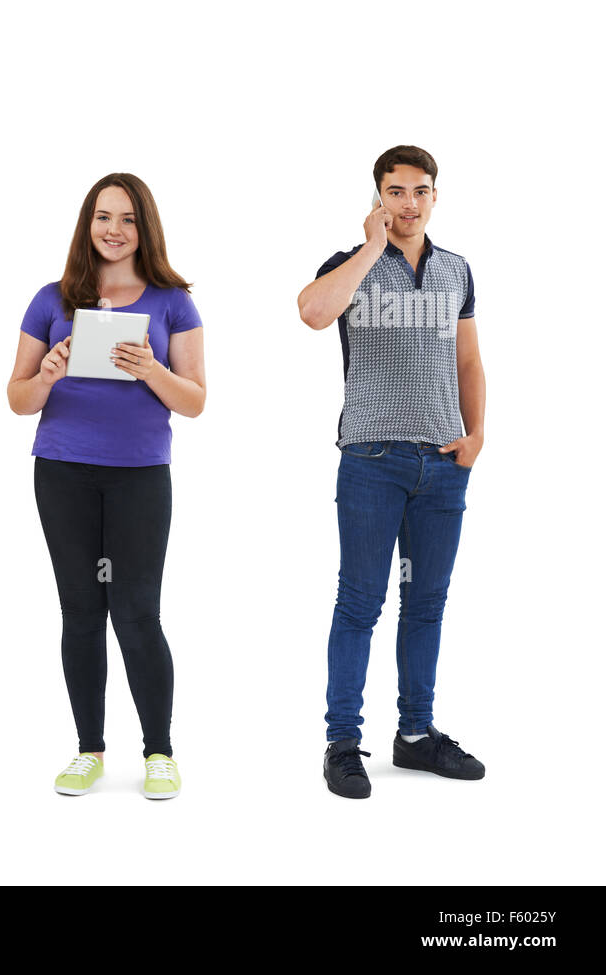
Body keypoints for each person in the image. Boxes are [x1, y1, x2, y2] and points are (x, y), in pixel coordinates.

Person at [298, 145, 487, 799]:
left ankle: (415, 736)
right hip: (371, 461)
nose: (410, 202)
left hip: (442, 463)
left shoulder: (456, 271)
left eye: (420, 190)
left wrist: (475, 434)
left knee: (426, 605)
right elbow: (314, 312)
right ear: (379, 198)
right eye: (396, 191)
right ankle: (343, 743)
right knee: (360, 603)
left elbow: (467, 360)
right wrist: (369, 248)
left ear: (436, 196)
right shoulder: (351, 267)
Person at [7, 173, 205, 799]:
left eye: (126, 218)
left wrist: (151, 369)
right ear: (86, 225)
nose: (113, 230)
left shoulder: (173, 302)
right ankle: (89, 749)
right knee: (81, 611)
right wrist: (45, 374)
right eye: (102, 217)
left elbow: (195, 400)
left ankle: (160, 751)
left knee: (137, 613)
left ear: (144, 227)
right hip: (63, 470)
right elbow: (17, 398)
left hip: (140, 475)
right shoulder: (52, 299)